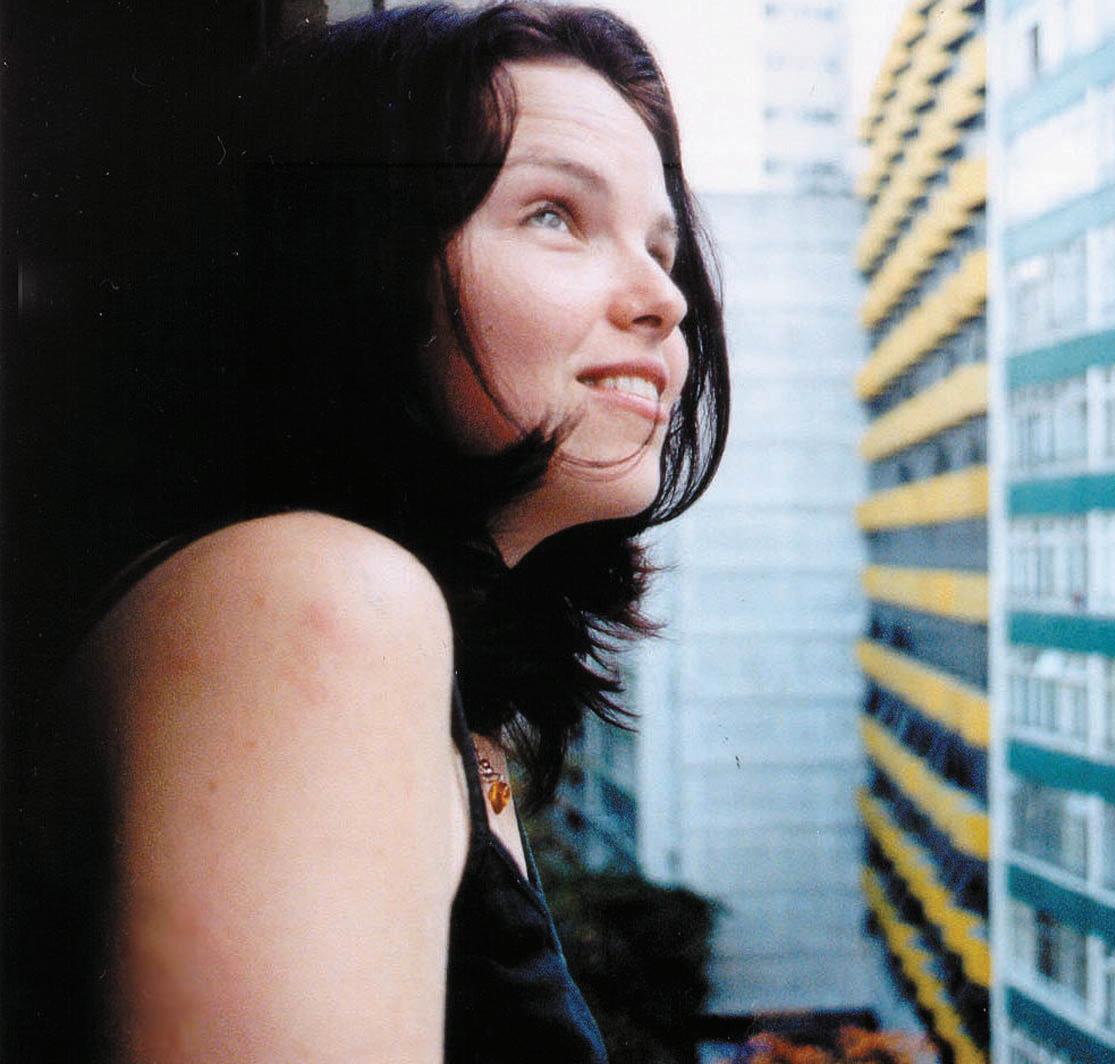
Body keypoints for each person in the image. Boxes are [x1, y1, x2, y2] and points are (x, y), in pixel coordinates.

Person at [55, 3, 729, 1060]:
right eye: (554, 214)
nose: (664, 300)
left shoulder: (401, 661)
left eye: (662, 247)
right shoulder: (314, 599)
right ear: (351, 260)